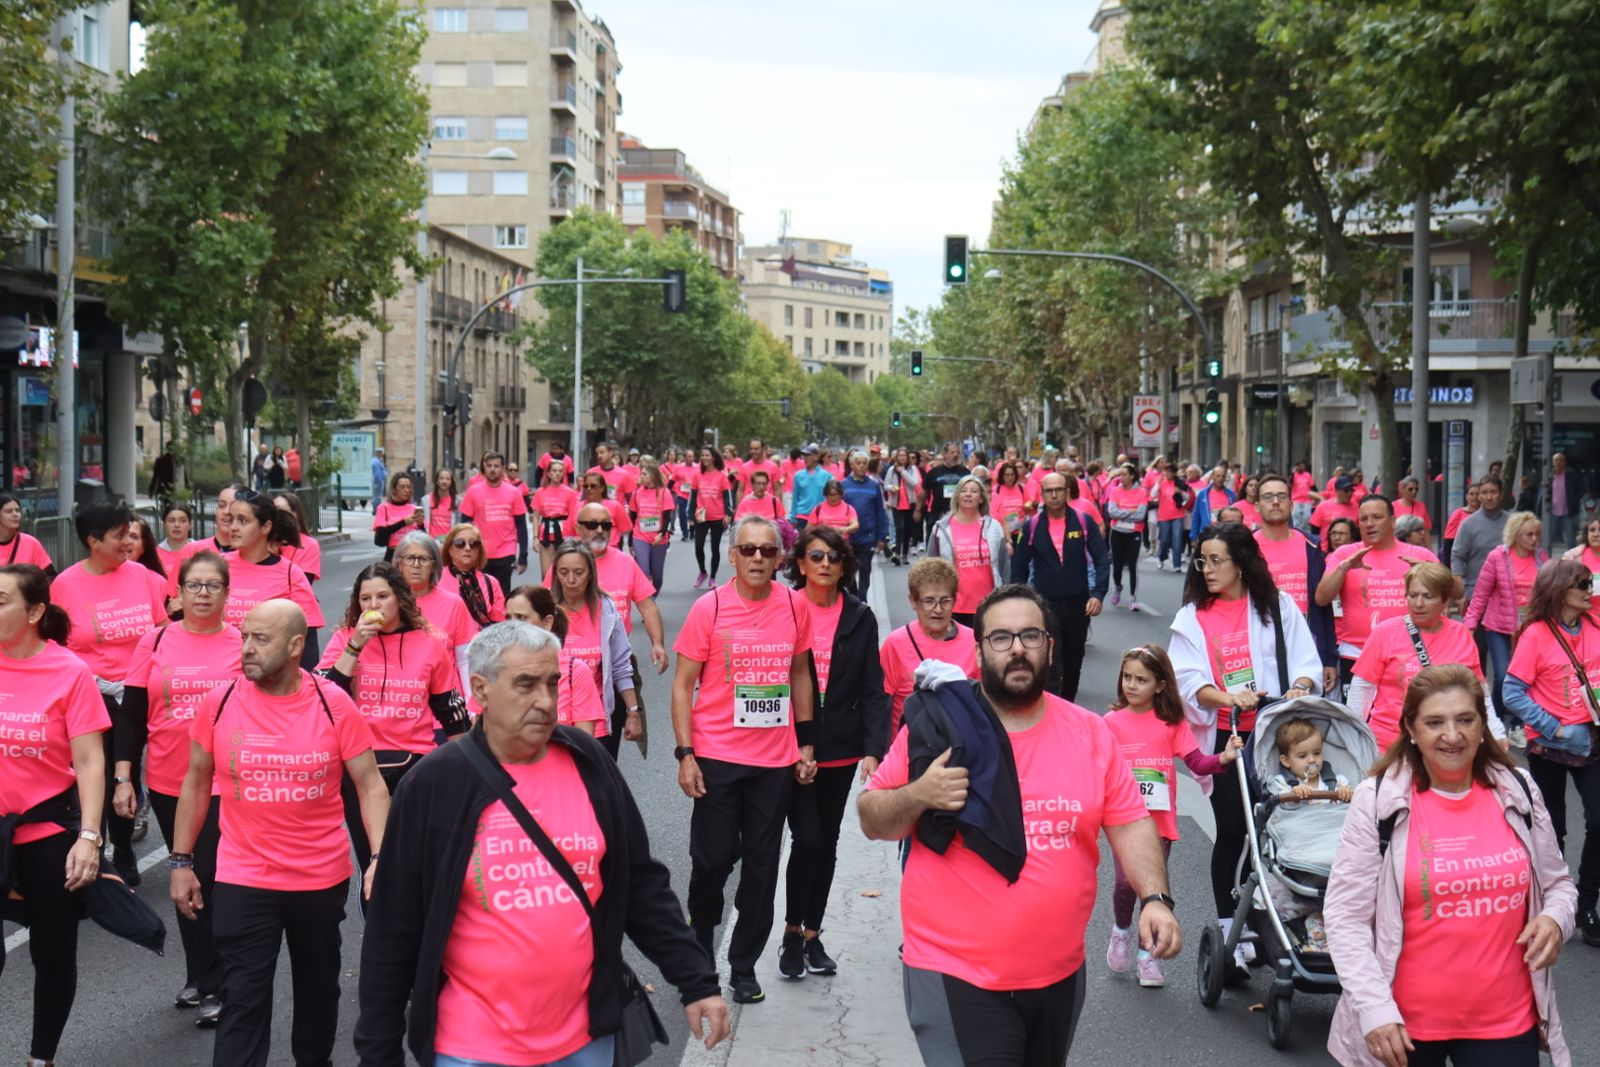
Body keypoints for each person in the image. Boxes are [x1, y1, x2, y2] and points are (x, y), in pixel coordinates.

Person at [353, 622, 731, 1066]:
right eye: (525, 684)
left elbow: (641, 884)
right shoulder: (434, 784)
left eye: (552, 682)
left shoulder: (589, 763)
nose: (546, 701)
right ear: (481, 689)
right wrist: (378, 1052)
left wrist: (696, 980)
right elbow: (393, 928)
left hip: (586, 1040)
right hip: (471, 1048)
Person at [860, 584, 1180, 1066]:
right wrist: (919, 794)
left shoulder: (1090, 732)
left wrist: (1155, 898)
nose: (1017, 650)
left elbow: (1131, 822)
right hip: (955, 973)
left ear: (1050, 647)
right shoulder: (942, 724)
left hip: (1059, 973)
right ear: (979, 649)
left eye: (1030, 636)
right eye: (1001, 638)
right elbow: (871, 817)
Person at [170, 600, 389, 1067]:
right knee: (243, 1001)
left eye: (260, 640)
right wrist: (181, 862)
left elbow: (370, 786)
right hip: (243, 876)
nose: (246, 648)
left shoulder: (334, 704)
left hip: (319, 878)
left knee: (316, 995)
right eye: (245, 636)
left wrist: (379, 858)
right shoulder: (220, 701)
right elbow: (195, 781)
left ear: (295, 646)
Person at [1324, 665, 1575, 1067]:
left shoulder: (1519, 788)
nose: (1453, 736)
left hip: (1505, 1021)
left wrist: (1554, 919)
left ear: (1482, 724)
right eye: (1435, 722)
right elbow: (1345, 918)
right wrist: (1374, 1011)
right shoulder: (1377, 802)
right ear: (1411, 728)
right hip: (1402, 1028)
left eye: (1465, 720)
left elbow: (1559, 885)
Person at [671, 515, 818, 1005]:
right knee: (711, 861)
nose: (758, 558)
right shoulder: (709, 608)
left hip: (773, 762)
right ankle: (700, 934)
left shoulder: (796, 606)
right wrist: (686, 753)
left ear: (780, 558)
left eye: (767, 551)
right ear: (732, 556)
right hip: (716, 755)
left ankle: (743, 966)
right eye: (749, 550)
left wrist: (806, 742)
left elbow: (801, 674)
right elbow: (682, 685)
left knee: (761, 866)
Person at [1168, 522, 1321, 979]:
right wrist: (1226, 697)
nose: (1208, 569)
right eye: (1203, 560)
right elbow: (1187, 679)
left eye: (1217, 560)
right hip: (1227, 738)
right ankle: (1228, 932)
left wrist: (1299, 686)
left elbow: (1306, 660)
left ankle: (1269, 925)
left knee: (1275, 834)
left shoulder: (1276, 606)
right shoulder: (1193, 617)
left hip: (1278, 736)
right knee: (1235, 832)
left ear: (1241, 563)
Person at [114, 551, 240, 1024]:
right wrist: (124, 777)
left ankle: (220, 984)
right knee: (185, 876)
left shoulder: (243, 643)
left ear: (227, 594)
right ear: (178, 593)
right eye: (194, 586)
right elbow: (131, 713)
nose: (203, 594)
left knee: (208, 874)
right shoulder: (156, 639)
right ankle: (200, 975)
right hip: (168, 781)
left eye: (212, 586)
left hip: (226, 783)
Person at [0, 564, 108, 1067]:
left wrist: (89, 836)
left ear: (35, 611)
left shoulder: (69, 671)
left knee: (52, 952)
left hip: (45, 833)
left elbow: (89, 761)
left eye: (1, 600)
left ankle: (40, 1057)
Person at [778, 526, 889, 980]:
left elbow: (872, 686)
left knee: (827, 845)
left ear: (845, 566)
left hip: (840, 750)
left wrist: (873, 749)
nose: (825, 564)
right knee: (806, 840)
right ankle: (788, 932)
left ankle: (811, 936)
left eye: (834, 557)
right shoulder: (783, 608)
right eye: (816, 556)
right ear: (800, 563)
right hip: (786, 746)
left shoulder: (859, 616)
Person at [1104, 644, 1241, 989]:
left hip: (1159, 824)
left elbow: (1196, 762)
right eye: (1127, 678)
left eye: (1141, 680)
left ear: (1161, 685)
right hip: (1124, 820)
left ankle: (1147, 955)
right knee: (1125, 883)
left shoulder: (1171, 723)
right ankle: (1121, 930)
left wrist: (1222, 759)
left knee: (1155, 891)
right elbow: (1097, 768)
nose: (1131, 686)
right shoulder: (1110, 723)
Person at [317, 561, 469, 872]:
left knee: (415, 863)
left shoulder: (430, 643)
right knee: (375, 862)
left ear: (399, 598)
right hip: (359, 767)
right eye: (365, 598)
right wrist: (355, 646)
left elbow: (451, 713)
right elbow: (322, 702)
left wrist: (468, 771)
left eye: (382, 596)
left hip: (416, 766)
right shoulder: (345, 639)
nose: (373, 605)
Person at [48, 502, 168, 883]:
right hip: (89, 693)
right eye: (120, 535)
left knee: (126, 769)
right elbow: (53, 643)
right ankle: (92, 849)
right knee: (92, 773)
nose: (129, 542)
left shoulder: (145, 578)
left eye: (131, 534)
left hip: (137, 692)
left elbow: (163, 631)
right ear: (93, 542)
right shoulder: (65, 585)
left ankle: (125, 847)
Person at [1501, 558, 1600, 948]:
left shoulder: (1594, 626)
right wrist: (1557, 728)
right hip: (1549, 746)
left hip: (1592, 741)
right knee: (1550, 829)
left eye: (1590, 582)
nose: (1588, 589)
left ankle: (1586, 904)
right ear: (1560, 589)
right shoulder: (1536, 635)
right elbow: (1512, 693)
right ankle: (1551, 907)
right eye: (1581, 583)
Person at [1350, 562, 1499, 751]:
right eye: (1413, 595)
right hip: (1389, 744)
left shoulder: (1460, 634)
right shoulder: (1384, 632)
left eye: (1428, 597)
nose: (1418, 603)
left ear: (1444, 601)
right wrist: (1353, 737)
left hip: (1445, 744)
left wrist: (1496, 732)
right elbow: (1362, 688)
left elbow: (1479, 692)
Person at [557, 501, 669, 752]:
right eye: (591, 524)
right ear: (577, 528)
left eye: (605, 525)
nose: (599, 530)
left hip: (611, 664)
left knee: (605, 750)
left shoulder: (625, 564)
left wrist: (658, 644)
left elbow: (647, 606)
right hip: (565, 685)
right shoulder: (563, 565)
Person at [1315, 494, 1441, 700]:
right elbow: (1321, 598)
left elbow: (1453, 591)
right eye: (1364, 519)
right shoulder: (1345, 554)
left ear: (1392, 521)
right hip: (1356, 653)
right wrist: (1344, 568)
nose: (1369, 524)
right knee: (1358, 721)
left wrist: (1429, 572)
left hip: (1409, 651)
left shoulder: (1418, 553)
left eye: (1377, 517)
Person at [1010, 471, 1108, 702]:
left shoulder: (1084, 522)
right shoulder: (1031, 526)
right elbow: (1019, 568)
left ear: (1066, 492)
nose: (1054, 495)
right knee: (1051, 661)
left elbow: (1102, 559)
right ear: (1042, 494)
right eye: (1048, 491)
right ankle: (1051, 707)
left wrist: (1098, 594)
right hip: (1046, 604)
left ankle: (1068, 705)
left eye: (1058, 490)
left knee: (1074, 659)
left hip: (1078, 604)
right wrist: (1019, 603)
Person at [549, 539, 643, 758]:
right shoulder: (545, 611)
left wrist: (633, 711)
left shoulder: (607, 610)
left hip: (599, 719)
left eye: (579, 572)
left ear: (590, 573)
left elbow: (621, 665)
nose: (571, 580)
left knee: (598, 787)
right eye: (564, 572)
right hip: (554, 720)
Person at [1464, 510, 1549, 740]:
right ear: (1516, 534)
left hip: (1531, 629)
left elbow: (1551, 590)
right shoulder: (1498, 557)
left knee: (1526, 678)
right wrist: (1469, 625)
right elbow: (1481, 593)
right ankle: (1496, 721)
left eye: (1537, 534)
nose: (1534, 539)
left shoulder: (1541, 558)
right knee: (1502, 675)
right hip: (1499, 627)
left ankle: (1519, 723)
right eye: (1529, 534)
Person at [1255, 473, 1338, 694]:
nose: (1275, 501)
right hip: (1261, 645)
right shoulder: (1246, 548)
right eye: (1268, 497)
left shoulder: (1311, 545)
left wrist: (1329, 656)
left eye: (1281, 496)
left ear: (1292, 505)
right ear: (1257, 506)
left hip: (1306, 645)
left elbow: (1323, 604)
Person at [881, 558, 980, 738]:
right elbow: (880, 705)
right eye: (928, 601)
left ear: (955, 600)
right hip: (908, 751)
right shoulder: (895, 644)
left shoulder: (974, 642)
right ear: (913, 601)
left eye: (945, 601)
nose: (938, 609)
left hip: (962, 748)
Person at [223, 493, 325, 668]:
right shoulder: (217, 566)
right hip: (220, 678)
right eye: (231, 519)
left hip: (268, 680)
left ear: (265, 527)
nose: (233, 527)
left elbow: (306, 642)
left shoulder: (291, 574)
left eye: (242, 521)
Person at [502, 585, 607, 734]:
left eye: (521, 618)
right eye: (508, 618)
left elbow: (584, 744)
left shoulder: (575, 672)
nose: (512, 625)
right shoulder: (495, 670)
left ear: (547, 623)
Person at [392, 530, 474, 688]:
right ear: (399, 563)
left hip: (446, 697)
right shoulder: (387, 601)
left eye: (423, 559)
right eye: (409, 558)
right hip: (401, 697)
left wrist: (471, 707)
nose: (416, 565)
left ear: (434, 565)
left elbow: (464, 662)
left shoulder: (453, 604)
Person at [928, 474, 1008, 629]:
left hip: (989, 605)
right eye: (963, 490)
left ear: (981, 498)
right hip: (953, 606)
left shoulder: (994, 527)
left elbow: (1004, 567)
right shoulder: (941, 528)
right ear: (957, 497)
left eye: (974, 491)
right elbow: (931, 568)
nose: (968, 494)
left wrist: (1005, 598)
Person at [459, 452, 530, 595]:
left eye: (496, 466)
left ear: (503, 469)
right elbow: (464, 525)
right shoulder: (473, 492)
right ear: (484, 468)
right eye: (489, 466)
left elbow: (521, 526)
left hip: (506, 550)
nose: (492, 469)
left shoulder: (514, 493)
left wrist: (523, 556)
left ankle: (501, 618)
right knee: (481, 594)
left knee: (502, 594)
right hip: (480, 551)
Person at [840, 450, 892, 600]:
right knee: (849, 570)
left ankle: (862, 599)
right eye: (858, 463)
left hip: (868, 535)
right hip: (848, 536)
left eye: (864, 463)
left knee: (865, 569)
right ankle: (854, 597)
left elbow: (880, 512)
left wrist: (882, 536)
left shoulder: (873, 486)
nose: (862, 466)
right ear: (852, 464)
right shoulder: (843, 485)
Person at [1451, 476, 1510, 607]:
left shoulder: (1512, 522)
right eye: (1484, 492)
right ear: (1480, 496)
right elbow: (1458, 556)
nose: (1489, 497)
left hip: (1508, 595)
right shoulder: (1468, 524)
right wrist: (1460, 592)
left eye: (1493, 492)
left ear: (1501, 495)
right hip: (1476, 594)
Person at [437, 522, 507, 629]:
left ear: (479, 550)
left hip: (481, 642)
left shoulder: (491, 582)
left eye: (474, 543)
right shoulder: (435, 580)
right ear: (449, 550)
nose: (468, 548)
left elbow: (499, 625)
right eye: (460, 543)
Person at [1105, 464, 1148, 609]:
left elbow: (1141, 515)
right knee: (1116, 566)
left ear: (1132, 476)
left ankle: (1133, 598)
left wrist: (1122, 512)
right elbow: (1112, 512)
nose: (1120, 477)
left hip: (1134, 533)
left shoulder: (1142, 492)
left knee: (1132, 565)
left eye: (1124, 474)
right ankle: (1117, 586)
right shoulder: (1115, 491)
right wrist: (1130, 512)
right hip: (1117, 532)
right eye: (1119, 474)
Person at [631, 456, 675, 595]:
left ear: (653, 476)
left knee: (657, 577)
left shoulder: (664, 493)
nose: (641, 477)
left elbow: (667, 518)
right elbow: (632, 518)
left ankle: (653, 597)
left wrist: (661, 534)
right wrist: (630, 543)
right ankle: (647, 600)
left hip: (659, 538)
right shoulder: (636, 493)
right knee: (643, 570)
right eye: (640, 473)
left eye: (644, 474)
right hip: (640, 536)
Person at [691, 446, 732, 589]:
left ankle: (713, 578)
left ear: (713, 457)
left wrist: (728, 514)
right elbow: (693, 496)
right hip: (701, 516)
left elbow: (727, 497)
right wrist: (690, 515)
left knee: (715, 548)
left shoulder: (722, 476)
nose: (704, 458)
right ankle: (703, 572)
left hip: (717, 517)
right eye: (702, 455)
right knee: (698, 546)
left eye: (707, 455)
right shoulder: (697, 475)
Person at [531, 459, 580, 578]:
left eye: (560, 471)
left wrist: (577, 537)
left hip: (565, 533)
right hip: (546, 532)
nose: (557, 473)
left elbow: (575, 517)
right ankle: (548, 596)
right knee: (546, 574)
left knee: (563, 572)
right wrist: (535, 538)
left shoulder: (570, 493)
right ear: (548, 473)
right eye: (554, 471)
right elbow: (536, 517)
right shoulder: (540, 492)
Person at [563, 471, 631, 549]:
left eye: (593, 486)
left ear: (602, 488)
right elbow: (568, 534)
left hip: (609, 551)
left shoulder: (615, 506)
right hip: (583, 552)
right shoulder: (577, 508)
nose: (589, 489)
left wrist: (610, 538)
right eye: (585, 486)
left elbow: (626, 528)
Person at [373, 470, 426, 563]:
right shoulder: (384, 508)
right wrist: (403, 523)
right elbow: (381, 534)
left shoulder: (415, 509)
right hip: (392, 555)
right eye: (402, 487)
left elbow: (424, 539)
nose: (406, 490)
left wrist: (421, 525)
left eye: (408, 487)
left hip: (413, 555)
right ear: (394, 489)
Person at [922, 443, 971, 543]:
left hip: (959, 512)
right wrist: (919, 509)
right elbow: (924, 491)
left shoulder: (965, 472)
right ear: (945, 455)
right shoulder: (934, 472)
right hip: (938, 512)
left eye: (957, 452)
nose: (955, 455)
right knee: (936, 540)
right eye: (952, 452)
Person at [883, 448, 925, 565]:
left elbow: (914, 483)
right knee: (899, 528)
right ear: (896, 457)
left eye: (904, 456)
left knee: (907, 529)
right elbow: (886, 485)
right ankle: (897, 554)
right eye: (899, 455)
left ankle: (904, 554)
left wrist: (903, 472)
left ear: (907, 457)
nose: (902, 458)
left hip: (910, 503)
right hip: (896, 503)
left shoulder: (913, 469)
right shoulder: (891, 470)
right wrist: (892, 488)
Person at [271, 492, 322, 584]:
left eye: (280, 510)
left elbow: (304, 583)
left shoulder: (309, 545)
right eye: (272, 511)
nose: (275, 515)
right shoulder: (264, 541)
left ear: (295, 514)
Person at [0, 492, 52, 572]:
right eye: (9, 511)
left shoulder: (31, 543)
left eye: (17, 510)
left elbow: (50, 576)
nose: (15, 514)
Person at [1154, 462, 1191, 572]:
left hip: (1177, 515)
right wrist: (1157, 484)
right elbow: (1152, 494)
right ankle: (1161, 557)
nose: (1168, 473)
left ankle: (1177, 564)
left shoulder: (1179, 483)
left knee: (1177, 540)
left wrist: (1180, 492)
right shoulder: (1161, 483)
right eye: (1166, 471)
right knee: (1164, 540)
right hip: (1163, 516)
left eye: (1170, 471)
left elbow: (1187, 498)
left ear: (1174, 473)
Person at [1542, 452, 1582, 550]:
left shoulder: (1571, 474)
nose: (1558, 462)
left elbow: (1579, 489)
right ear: (1552, 462)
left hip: (1567, 512)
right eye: (1556, 460)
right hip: (1552, 513)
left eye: (1561, 460)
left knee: (1569, 539)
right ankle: (1545, 560)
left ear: (1565, 462)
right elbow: (1543, 492)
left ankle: (1571, 562)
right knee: (1547, 539)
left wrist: (1574, 502)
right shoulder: (1549, 475)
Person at [1310, 476, 1361, 551]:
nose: (1350, 493)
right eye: (1346, 491)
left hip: (1349, 551)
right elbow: (1314, 531)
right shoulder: (1323, 506)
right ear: (1337, 491)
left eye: (1351, 490)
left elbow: (1358, 532)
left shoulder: (1356, 507)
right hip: (1326, 551)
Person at [155, 501, 193, 592]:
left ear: (190, 525)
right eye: (171, 520)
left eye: (182, 521)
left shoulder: (200, 551)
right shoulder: (155, 554)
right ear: (164, 524)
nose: (177, 525)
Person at [1442, 482, 1481, 568]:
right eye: (1471, 494)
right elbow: (1449, 542)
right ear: (1466, 496)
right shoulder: (1458, 514)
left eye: (1477, 494)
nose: (1474, 497)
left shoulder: (1486, 515)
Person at [427, 469, 457, 540]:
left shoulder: (457, 501)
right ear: (436, 481)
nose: (444, 481)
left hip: (449, 542)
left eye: (447, 479)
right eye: (441, 478)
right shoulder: (427, 499)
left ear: (451, 482)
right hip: (431, 542)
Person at [370, 447, 388, 512]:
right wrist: (380, 481)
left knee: (377, 496)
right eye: (381, 452)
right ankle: (376, 509)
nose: (382, 454)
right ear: (378, 453)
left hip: (379, 481)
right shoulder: (376, 461)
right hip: (378, 481)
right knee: (377, 496)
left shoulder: (378, 460)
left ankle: (376, 508)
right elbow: (377, 473)